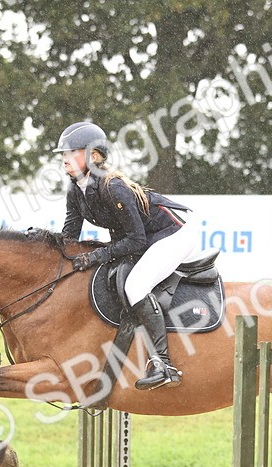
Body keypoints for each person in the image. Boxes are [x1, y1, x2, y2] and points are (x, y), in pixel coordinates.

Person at [54, 121, 206, 390]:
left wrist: (96, 256)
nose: (64, 158)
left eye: (71, 152)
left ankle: (163, 364)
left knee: (135, 285)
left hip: (175, 233)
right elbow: (70, 236)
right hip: (147, 237)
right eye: (63, 154)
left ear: (94, 156)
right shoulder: (76, 189)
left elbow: (135, 240)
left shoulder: (112, 188)